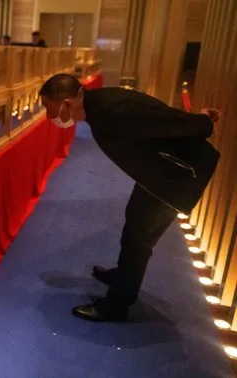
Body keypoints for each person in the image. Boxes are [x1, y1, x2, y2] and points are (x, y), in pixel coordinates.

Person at [39, 73, 221, 322]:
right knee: (134, 222)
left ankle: (117, 304)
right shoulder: (98, 106)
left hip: (173, 175)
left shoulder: (110, 110)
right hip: (156, 172)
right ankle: (124, 276)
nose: (51, 119)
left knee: (139, 238)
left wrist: (203, 123)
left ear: (68, 103)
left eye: (51, 111)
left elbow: (162, 120)